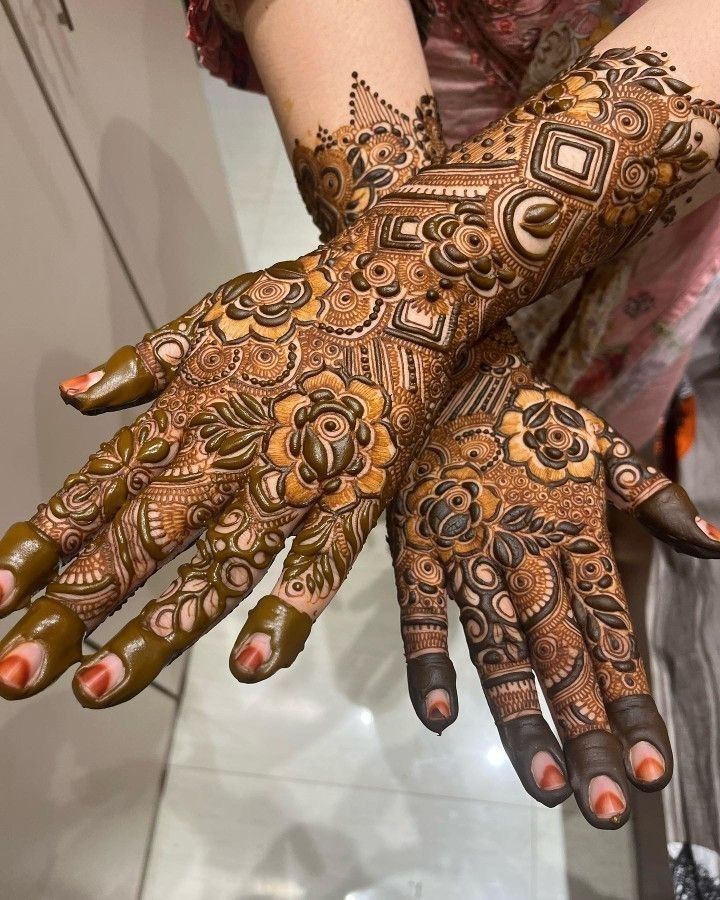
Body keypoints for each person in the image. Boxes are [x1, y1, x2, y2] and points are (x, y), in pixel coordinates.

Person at [0, 0, 719, 854]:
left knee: (560, 411)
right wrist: (423, 303)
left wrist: (408, 285)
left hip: (663, 188)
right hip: (409, 96)